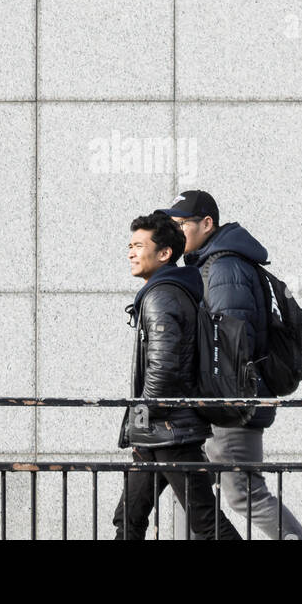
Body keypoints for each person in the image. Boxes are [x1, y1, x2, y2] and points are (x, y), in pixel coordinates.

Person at [162, 190, 302, 539]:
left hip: (230, 406)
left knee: (245, 494)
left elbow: (226, 343)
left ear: (207, 223)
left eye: (181, 224)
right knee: (195, 497)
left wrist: (218, 402)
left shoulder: (224, 267)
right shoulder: (214, 264)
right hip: (220, 405)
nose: (175, 231)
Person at [113, 211, 241, 540]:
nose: (130, 252)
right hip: (160, 433)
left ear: (165, 253)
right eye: (130, 245)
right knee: (129, 518)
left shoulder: (161, 296)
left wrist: (138, 418)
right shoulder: (173, 291)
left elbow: (163, 368)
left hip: (170, 432)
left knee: (207, 523)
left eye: (139, 245)